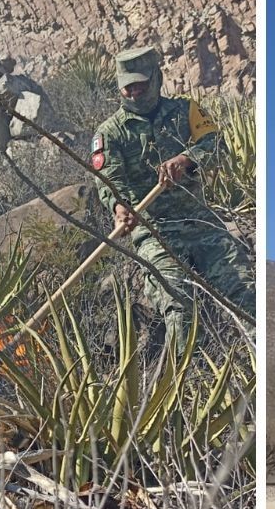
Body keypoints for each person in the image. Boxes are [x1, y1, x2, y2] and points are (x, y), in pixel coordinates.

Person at [90, 46, 254, 348]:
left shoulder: (186, 110)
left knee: (244, 293)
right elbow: (109, 181)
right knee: (179, 309)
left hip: (200, 222)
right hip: (155, 233)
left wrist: (187, 159)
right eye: (128, 87)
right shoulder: (110, 132)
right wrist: (119, 207)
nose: (134, 92)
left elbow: (216, 144)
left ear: (156, 78)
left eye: (140, 84)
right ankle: (187, 381)